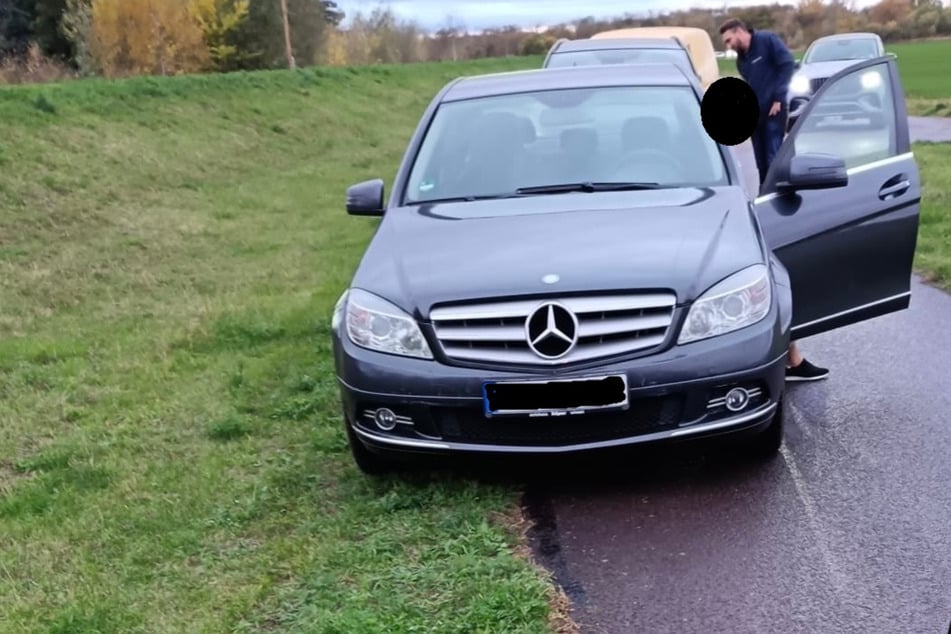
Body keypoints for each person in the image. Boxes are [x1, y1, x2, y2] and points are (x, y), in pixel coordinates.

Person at [720, 18, 829, 382]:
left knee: (774, 157)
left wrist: (779, 99)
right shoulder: (741, 60)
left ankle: (778, 193)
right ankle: (790, 361)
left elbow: (787, 67)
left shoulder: (767, 43)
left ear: (741, 31)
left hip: (773, 113)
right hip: (756, 116)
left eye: (729, 36)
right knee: (763, 160)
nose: (728, 43)